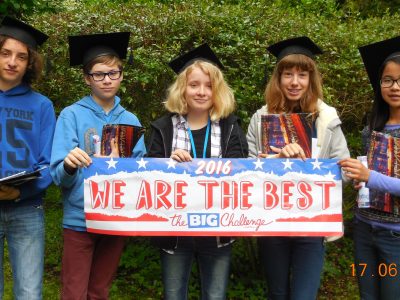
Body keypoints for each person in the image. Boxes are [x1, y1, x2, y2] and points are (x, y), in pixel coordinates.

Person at [246, 36, 350, 299]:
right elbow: (247, 170)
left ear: (311, 80)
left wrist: (312, 165)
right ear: (278, 79)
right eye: (288, 74)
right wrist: (273, 161)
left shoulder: (327, 119)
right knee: (277, 293)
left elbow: (345, 172)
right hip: (272, 222)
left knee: (304, 294)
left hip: (310, 223)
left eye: (302, 75)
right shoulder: (261, 118)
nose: (294, 82)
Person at [147, 43, 248, 300]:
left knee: (215, 296)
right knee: (173, 295)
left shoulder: (231, 128)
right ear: (183, 88)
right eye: (194, 85)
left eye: (209, 85)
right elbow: (148, 175)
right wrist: (167, 163)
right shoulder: (163, 128)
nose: (201, 92)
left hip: (217, 232)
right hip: (175, 234)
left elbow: (241, 173)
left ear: (217, 91)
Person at [50, 32, 146, 299]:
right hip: (79, 220)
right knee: (74, 291)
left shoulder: (131, 120)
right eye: (98, 74)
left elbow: (141, 172)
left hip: (116, 219)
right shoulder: (71, 115)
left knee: (100, 291)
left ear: (121, 75)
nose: (107, 79)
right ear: (86, 78)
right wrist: (69, 165)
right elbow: (58, 175)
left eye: (113, 73)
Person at [339, 36, 400, 300]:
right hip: (364, 230)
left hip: (395, 237)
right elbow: (369, 175)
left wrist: (370, 177)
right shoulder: (371, 127)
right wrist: (360, 179)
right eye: (388, 80)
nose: (394, 86)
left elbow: (375, 176)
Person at [0, 16, 55, 299]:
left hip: (27, 208)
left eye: (21, 57)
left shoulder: (42, 106)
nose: (12, 62)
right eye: (5, 53)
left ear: (29, 63)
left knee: (29, 291)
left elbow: (49, 164)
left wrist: (18, 193)